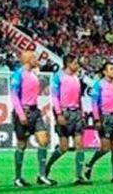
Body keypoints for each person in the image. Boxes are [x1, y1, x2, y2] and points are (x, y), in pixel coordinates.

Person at [10, 51, 54, 186]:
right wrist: (20, 113)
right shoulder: (18, 74)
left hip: (36, 111)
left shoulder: (33, 74)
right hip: (24, 111)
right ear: (27, 59)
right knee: (22, 144)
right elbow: (14, 95)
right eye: (34, 57)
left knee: (44, 140)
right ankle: (18, 178)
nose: (36, 59)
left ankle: (42, 175)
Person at [45, 55, 89, 184]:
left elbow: (79, 98)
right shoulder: (58, 77)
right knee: (63, 147)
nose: (77, 66)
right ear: (68, 64)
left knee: (79, 145)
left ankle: (79, 176)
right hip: (64, 113)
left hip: (76, 113)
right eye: (75, 63)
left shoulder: (77, 78)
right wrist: (59, 114)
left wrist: (82, 114)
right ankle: (47, 167)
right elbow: (54, 97)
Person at [86, 62, 113, 184]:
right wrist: (96, 119)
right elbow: (94, 103)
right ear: (105, 72)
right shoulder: (99, 84)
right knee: (105, 148)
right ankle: (90, 164)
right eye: (111, 69)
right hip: (105, 117)